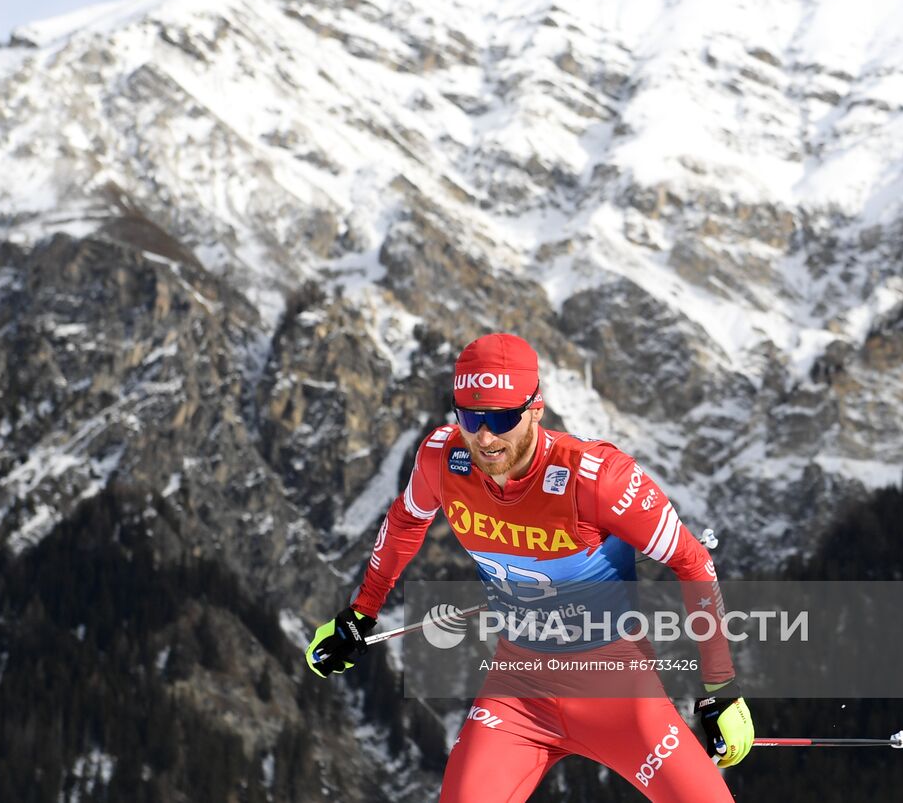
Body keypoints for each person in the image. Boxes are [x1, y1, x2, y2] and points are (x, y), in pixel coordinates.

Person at [305, 333, 754, 801]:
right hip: (517, 694)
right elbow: (405, 520)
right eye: (471, 416)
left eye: (501, 417)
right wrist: (360, 613)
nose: (484, 436)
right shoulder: (443, 459)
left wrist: (721, 688)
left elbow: (691, 560)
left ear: (535, 408)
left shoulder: (595, 477)